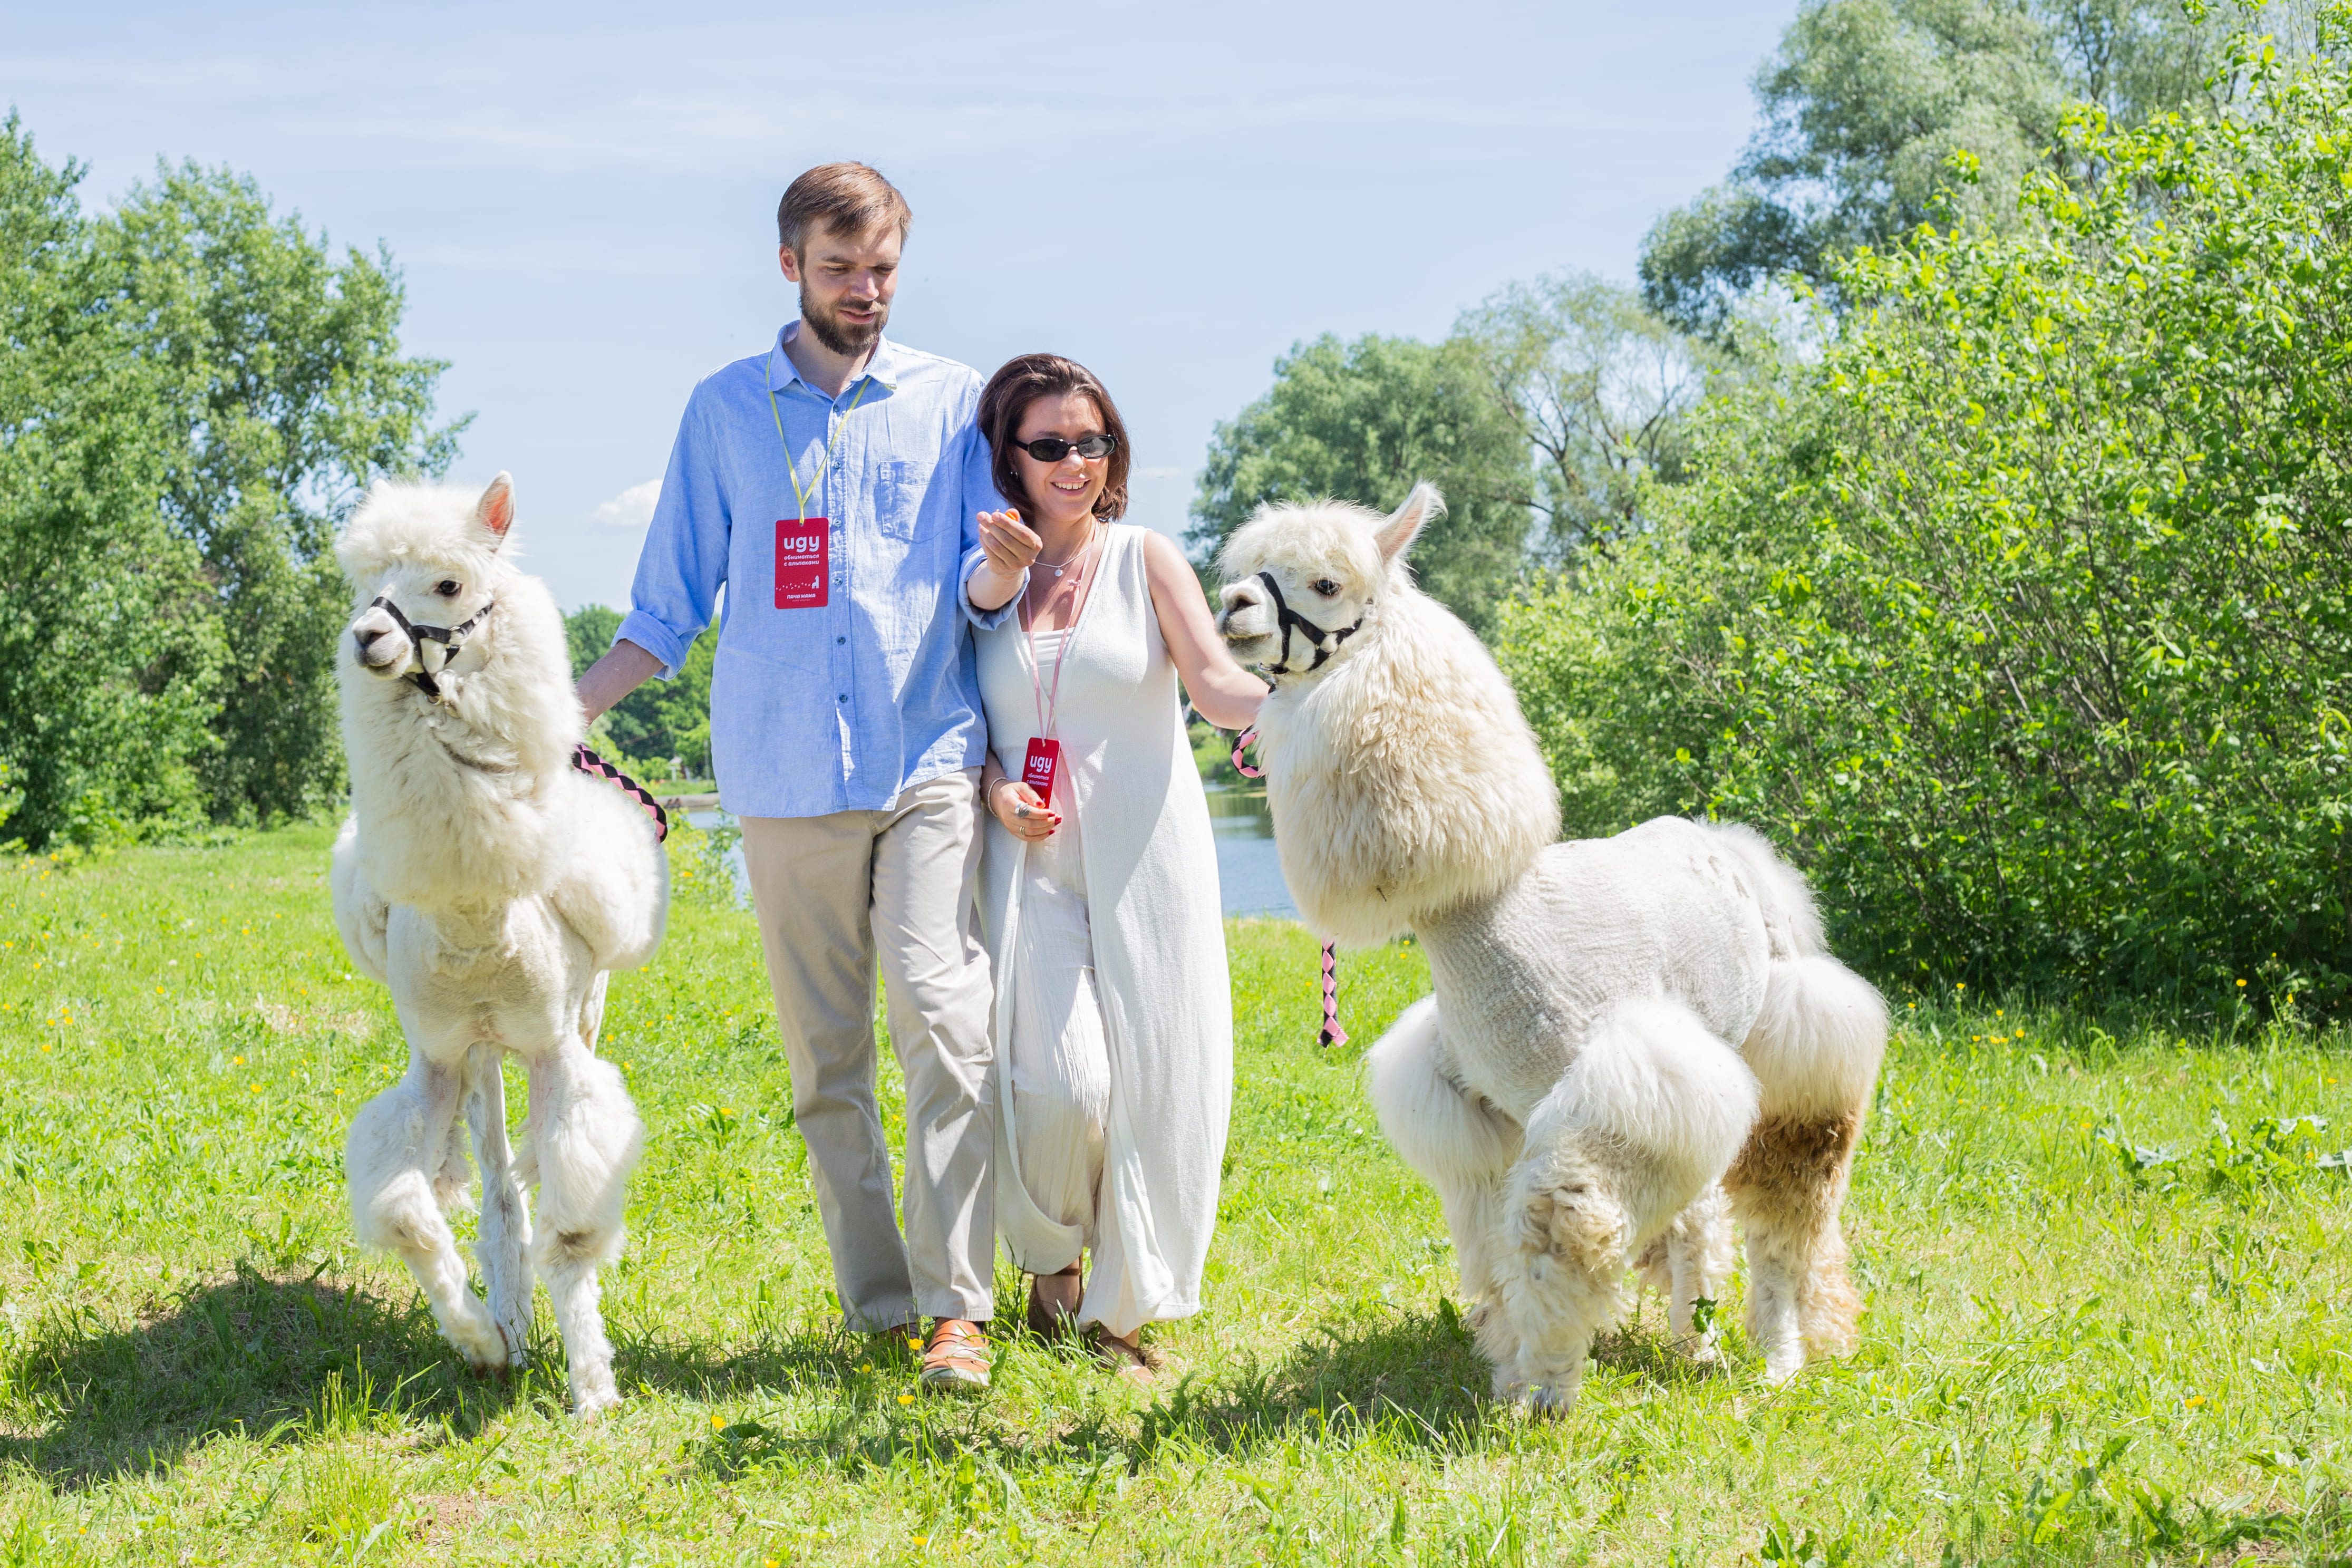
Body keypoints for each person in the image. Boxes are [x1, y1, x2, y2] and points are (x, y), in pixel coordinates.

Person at [576, 163, 1018, 1395]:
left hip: (927, 754)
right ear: (789, 267)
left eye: (881, 270)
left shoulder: (952, 401)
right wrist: (554, 711)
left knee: (941, 1012)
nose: (864, 292)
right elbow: (664, 610)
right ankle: (881, 1303)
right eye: (839, 270)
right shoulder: (723, 412)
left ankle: (957, 1311)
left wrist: (1000, 575)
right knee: (826, 1064)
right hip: (778, 776)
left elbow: (994, 593)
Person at [962, 355, 1267, 1376]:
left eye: (1091, 441)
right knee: (1058, 1081)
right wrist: (998, 791)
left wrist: (1288, 711)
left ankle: (1115, 1310)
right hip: (1030, 862)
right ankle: (1052, 1269)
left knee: (1154, 1076)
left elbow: (1214, 680)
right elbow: (962, 723)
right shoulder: (982, 580)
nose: (1075, 462)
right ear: (1007, 454)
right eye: (1049, 444)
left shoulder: (1144, 557)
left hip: (1147, 850)